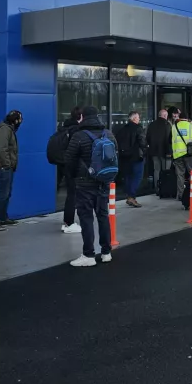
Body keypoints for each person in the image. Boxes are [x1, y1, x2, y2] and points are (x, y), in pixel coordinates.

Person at [65, 106, 118, 267]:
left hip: (84, 182)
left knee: (86, 217)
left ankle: (88, 254)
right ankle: (106, 252)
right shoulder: (108, 133)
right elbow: (115, 156)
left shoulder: (79, 135)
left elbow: (69, 160)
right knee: (103, 215)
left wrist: (74, 177)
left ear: (82, 117)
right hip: (104, 182)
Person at [0, 110, 22, 231]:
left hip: (8, 166)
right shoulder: (5, 130)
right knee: (3, 193)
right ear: (15, 120)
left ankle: (3, 217)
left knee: (7, 192)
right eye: (19, 119)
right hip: (4, 167)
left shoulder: (9, 129)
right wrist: (7, 164)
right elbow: (1, 148)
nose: (20, 121)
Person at [59, 108, 84, 234]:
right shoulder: (76, 130)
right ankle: (69, 222)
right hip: (72, 166)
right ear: (80, 117)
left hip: (64, 164)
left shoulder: (65, 127)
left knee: (71, 194)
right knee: (72, 195)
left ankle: (67, 222)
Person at [116, 110, 146, 208]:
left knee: (128, 177)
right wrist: (145, 151)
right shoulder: (138, 128)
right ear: (133, 119)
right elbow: (142, 142)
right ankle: (131, 196)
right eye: (138, 118)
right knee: (137, 177)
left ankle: (129, 195)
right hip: (136, 156)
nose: (139, 119)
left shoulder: (122, 129)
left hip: (125, 157)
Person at [170, 108, 192, 199]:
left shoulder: (174, 126)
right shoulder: (191, 125)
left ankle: (180, 195)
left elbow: (171, 139)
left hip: (177, 154)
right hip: (189, 153)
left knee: (180, 175)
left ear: (180, 117)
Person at [146, 108, 172, 192]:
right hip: (165, 152)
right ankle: (164, 188)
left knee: (156, 170)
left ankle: (157, 189)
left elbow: (148, 137)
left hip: (154, 151)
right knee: (165, 171)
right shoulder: (167, 124)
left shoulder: (151, 124)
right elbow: (169, 139)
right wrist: (169, 152)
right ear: (165, 116)